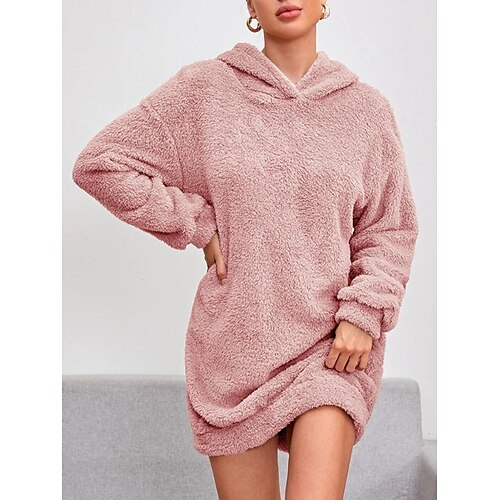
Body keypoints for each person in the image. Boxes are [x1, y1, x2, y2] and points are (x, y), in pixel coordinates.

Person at [72, 1, 419, 498]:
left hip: (330, 347)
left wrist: (364, 313)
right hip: (236, 346)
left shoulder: (366, 111)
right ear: (251, 5)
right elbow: (101, 163)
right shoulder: (204, 92)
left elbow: (390, 227)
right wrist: (195, 221)